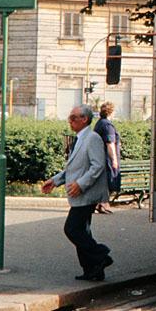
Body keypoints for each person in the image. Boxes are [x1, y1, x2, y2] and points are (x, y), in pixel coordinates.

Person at [42, 105, 113, 281]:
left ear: (85, 119)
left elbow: (98, 166)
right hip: (80, 192)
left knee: (72, 229)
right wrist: (55, 180)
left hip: (86, 193)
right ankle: (93, 270)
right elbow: (74, 167)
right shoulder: (81, 138)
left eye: (74, 118)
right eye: (70, 117)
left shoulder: (92, 138)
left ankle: (101, 255)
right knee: (83, 231)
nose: (70, 120)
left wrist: (81, 185)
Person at [92, 102, 121, 214]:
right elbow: (110, 143)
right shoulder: (108, 126)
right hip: (106, 158)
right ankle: (104, 203)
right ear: (111, 112)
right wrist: (114, 160)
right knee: (109, 179)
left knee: (103, 180)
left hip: (99, 156)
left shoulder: (99, 123)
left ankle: (101, 203)